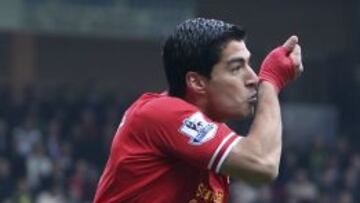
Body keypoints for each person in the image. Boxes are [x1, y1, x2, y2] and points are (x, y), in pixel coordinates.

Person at [93, 17, 303, 203]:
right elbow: (263, 163)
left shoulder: (213, 155)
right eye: (236, 68)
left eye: (249, 64)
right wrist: (271, 82)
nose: (254, 79)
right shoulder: (161, 112)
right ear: (197, 82)